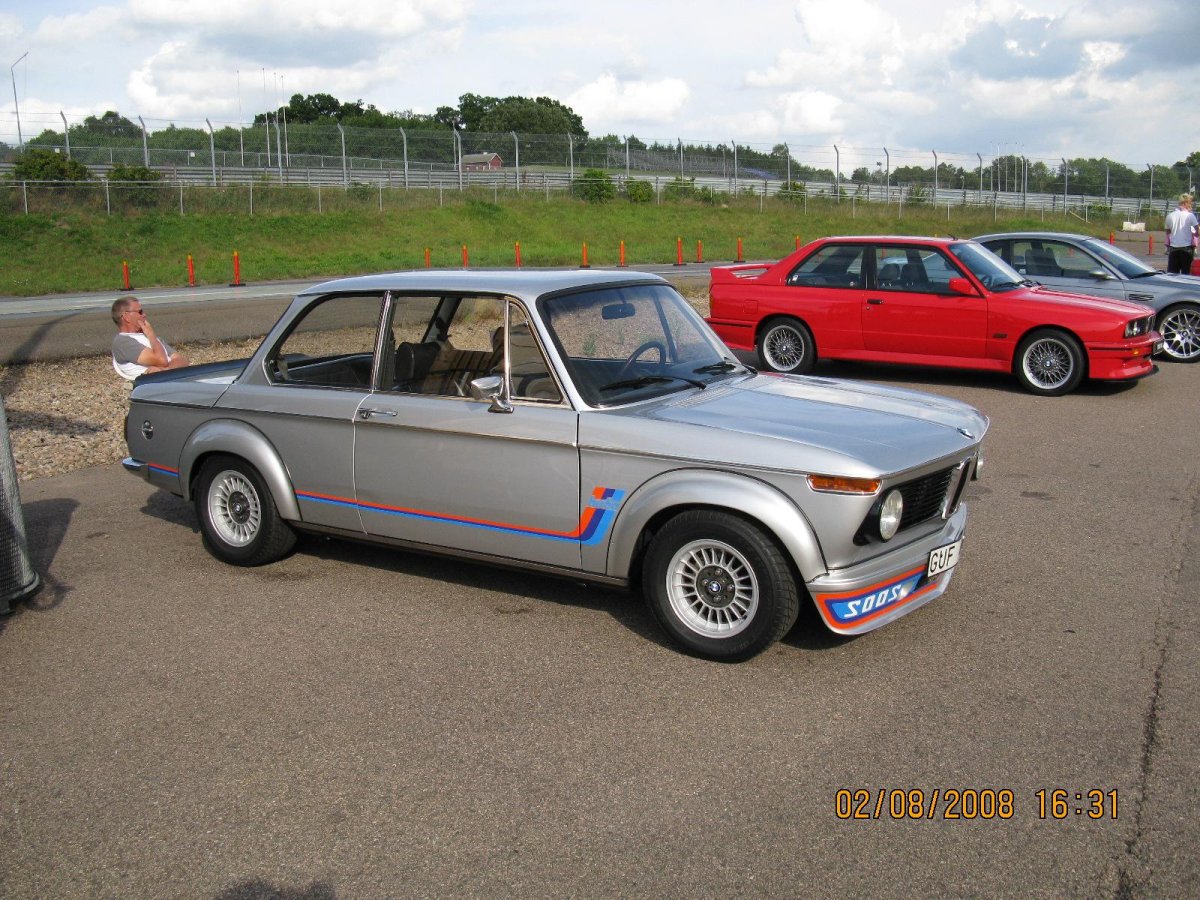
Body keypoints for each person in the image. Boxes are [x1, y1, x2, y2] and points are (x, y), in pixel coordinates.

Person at [111, 297, 189, 381]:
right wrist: (151, 335)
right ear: (126, 317)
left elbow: (182, 360)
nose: (144, 315)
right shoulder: (123, 342)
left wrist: (165, 370)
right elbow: (161, 360)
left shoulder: (152, 339)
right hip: (157, 386)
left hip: (172, 380)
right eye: (140, 312)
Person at [1164, 193, 1198, 275]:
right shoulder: (1190, 216)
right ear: (1185, 203)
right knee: (1186, 275)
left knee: (1172, 275)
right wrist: (1195, 236)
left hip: (1173, 249)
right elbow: (1197, 230)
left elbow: (1168, 232)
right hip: (1186, 249)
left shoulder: (1169, 216)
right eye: (1190, 203)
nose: (1191, 205)